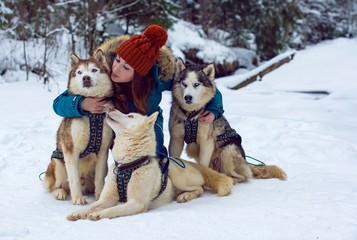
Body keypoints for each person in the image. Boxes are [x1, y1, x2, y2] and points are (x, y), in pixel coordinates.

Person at [52, 24, 224, 157]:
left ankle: (161, 166)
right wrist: (81, 103)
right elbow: (58, 104)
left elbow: (204, 86)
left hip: (147, 122)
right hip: (115, 124)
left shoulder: (157, 80)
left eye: (125, 67)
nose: (116, 68)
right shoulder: (102, 76)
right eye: (117, 60)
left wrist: (213, 109)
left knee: (153, 155)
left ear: (139, 74)